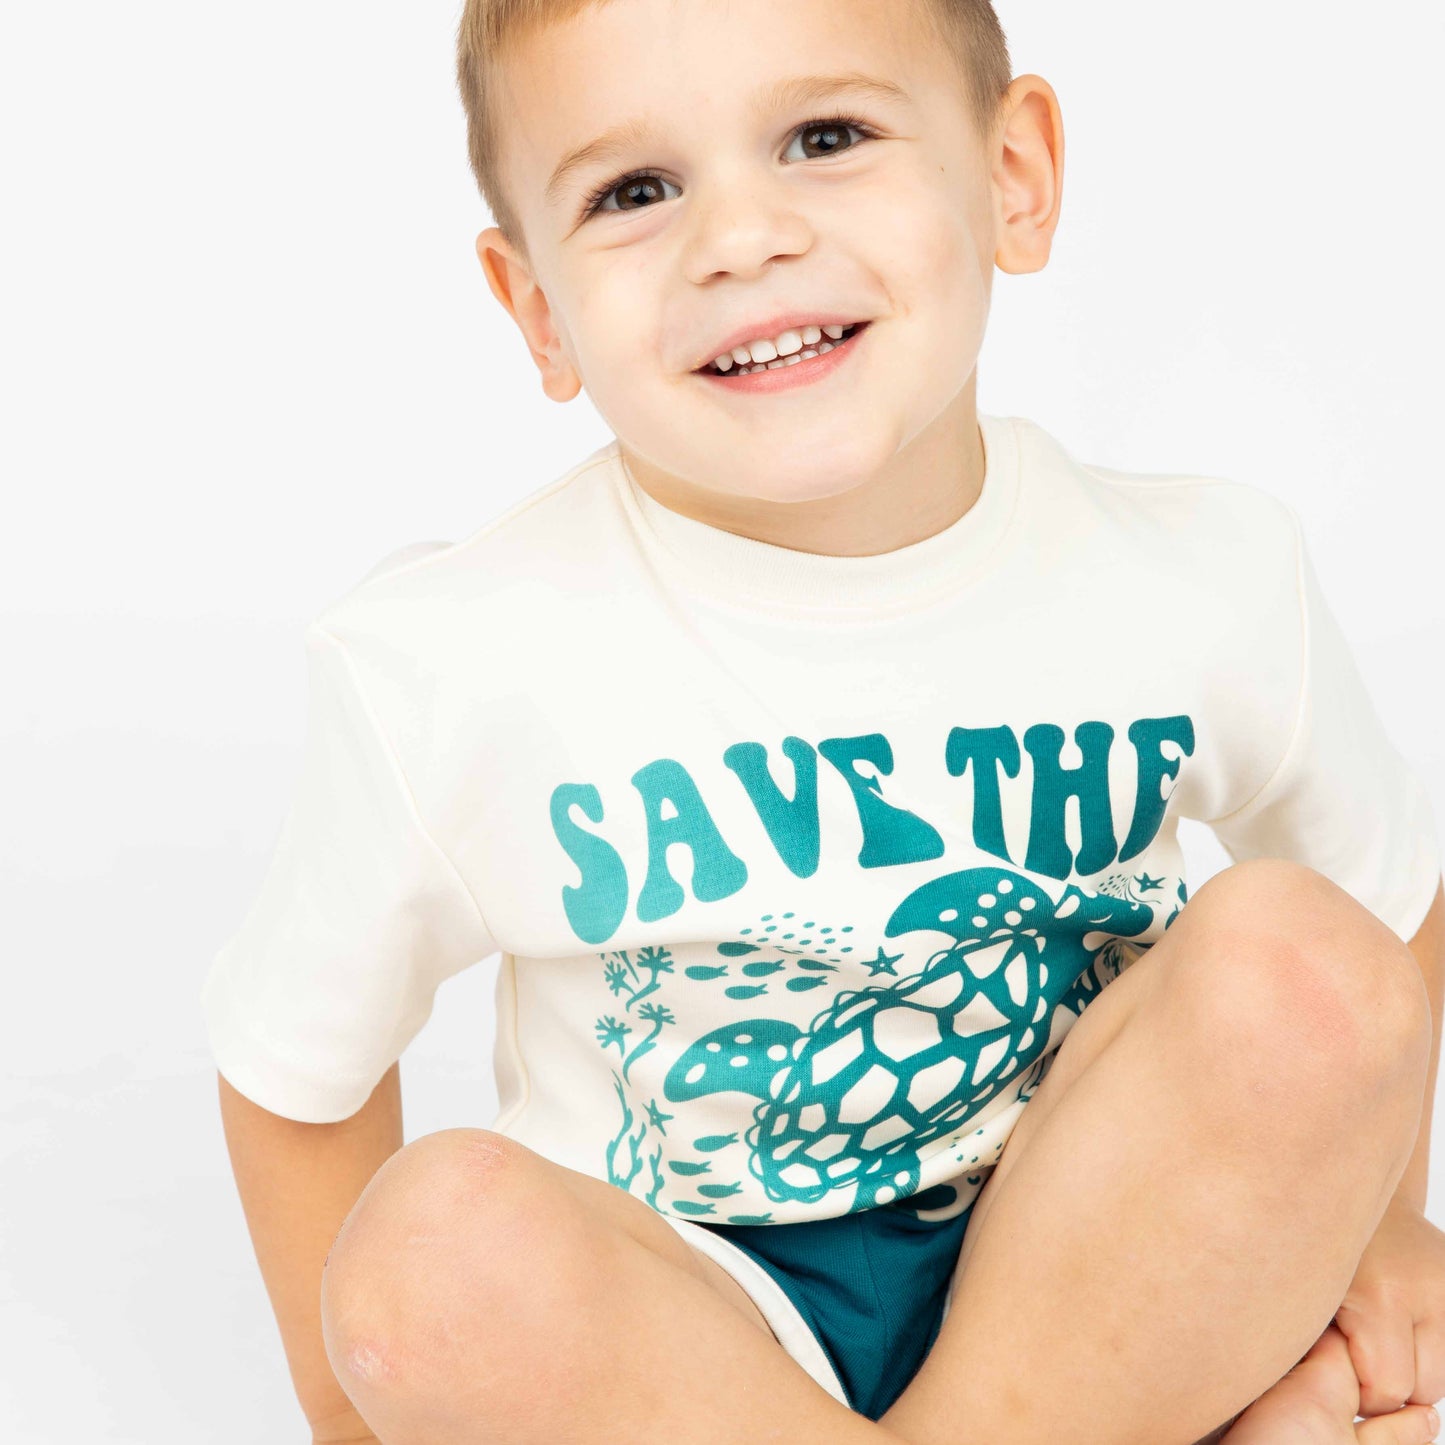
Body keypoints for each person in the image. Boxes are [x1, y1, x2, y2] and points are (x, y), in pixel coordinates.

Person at [202, 1, 1445, 1442]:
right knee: (429, 1258)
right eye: (634, 190)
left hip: (1104, 1249)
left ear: (1013, 178)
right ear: (537, 305)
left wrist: (1371, 1221)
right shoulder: (447, 660)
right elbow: (294, 1066)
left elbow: (1388, 910)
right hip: (693, 1324)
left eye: (825, 136)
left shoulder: (1203, 574)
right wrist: (347, 1421)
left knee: (1306, 963)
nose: (740, 240)